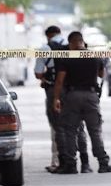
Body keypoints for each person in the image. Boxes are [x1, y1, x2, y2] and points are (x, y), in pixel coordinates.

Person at [52, 31, 111, 174]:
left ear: (71, 44)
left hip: (72, 96)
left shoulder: (67, 58)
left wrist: (56, 98)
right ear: (83, 42)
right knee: (95, 131)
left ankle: (70, 165)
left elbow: (59, 81)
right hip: (91, 96)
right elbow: (101, 74)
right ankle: (103, 163)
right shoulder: (94, 56)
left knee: (70, 131)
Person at [35, 26, 92, 173]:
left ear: (48, 36)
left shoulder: (45, 48)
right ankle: (85, 164)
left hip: (54, 89)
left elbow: (38, 73)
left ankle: (65, 163)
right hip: (72, 90)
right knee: (78, 127)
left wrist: (48, 76)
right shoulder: (73, 46)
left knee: (59, 127)